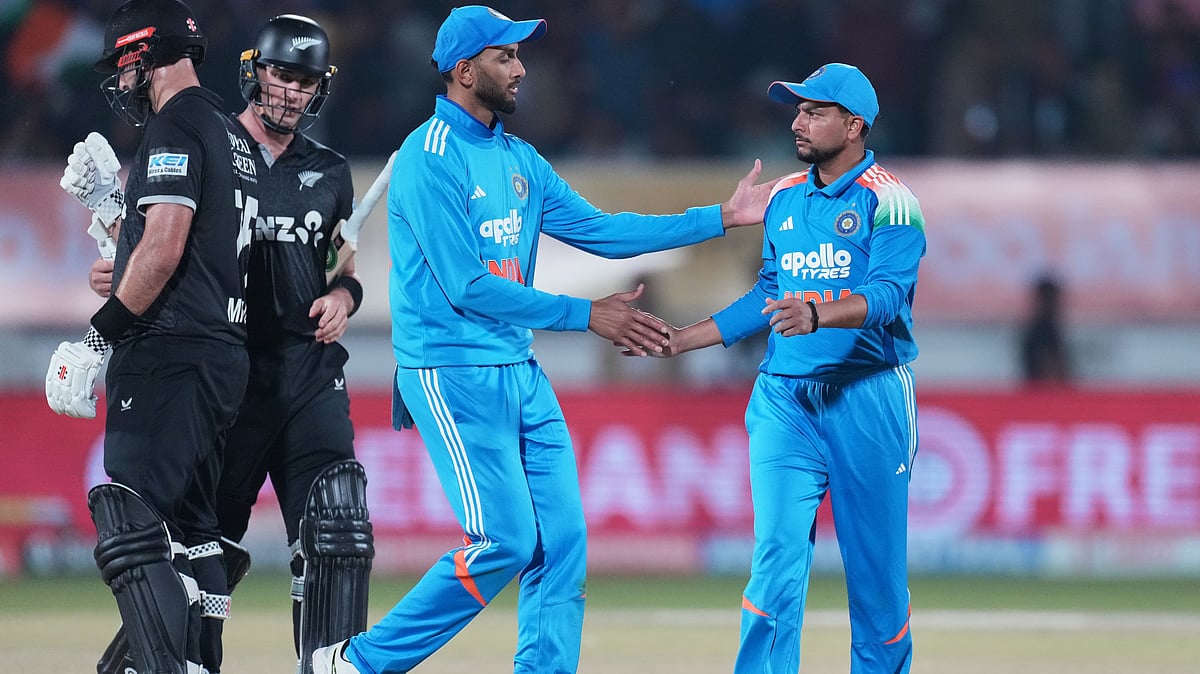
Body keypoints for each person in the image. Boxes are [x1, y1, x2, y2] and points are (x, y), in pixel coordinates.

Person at [312, 6, 782, 673]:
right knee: (504, 540)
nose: (523, 67)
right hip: (451, 371)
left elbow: (604, 230)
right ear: (465, 69)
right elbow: (466, 287)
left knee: (561, 542)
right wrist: (587, 314)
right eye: (507, 56)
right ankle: (357, 664)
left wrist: (720, 218)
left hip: (517, 368)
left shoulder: (518, 158)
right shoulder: (428, 158)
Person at [83, 14, 375, 674]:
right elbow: (164, 239)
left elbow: (343, 270)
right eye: (281, 74)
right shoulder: (210, 139)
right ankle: (158, 662)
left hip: (306, 374)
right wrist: (120, 264)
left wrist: (343, 298)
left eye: (305, 81)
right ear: (254, 71)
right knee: (194, 542)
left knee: (337, 531)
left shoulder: (329, 172)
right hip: (229, 371)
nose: (292, 92)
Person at [630, 64, 925, 673]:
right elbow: (767, 292)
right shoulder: (784, 198)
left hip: (865, 398)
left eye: (814, 111)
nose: (798, 121)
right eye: (797, 110)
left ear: (855, 124)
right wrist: (682, 341)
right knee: (775, 564)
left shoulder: (893, 201)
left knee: (876, 584)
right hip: (784, 402)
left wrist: (817, 314)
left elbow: (890, 295)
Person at [45, 1, 258, 673]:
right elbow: (181, 253)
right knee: (196, 538)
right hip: (219, 357)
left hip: (169, 357)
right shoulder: (230, 131)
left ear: (147, 55)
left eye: (123, 64)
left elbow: (163, 252)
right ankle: (200, 660)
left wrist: (96, 339)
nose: (119, 80)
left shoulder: (175, 125)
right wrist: (112, 210)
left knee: (132, 522)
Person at [1019, 274, 1072, 384]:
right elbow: (1049, 367)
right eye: (1053, 299)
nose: (1058, 304)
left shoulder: (1048, 327)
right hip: (1043, 393)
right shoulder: (1042, 330)